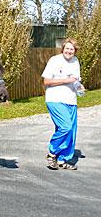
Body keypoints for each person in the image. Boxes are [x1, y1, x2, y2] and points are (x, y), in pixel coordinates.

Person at [41, 38, 84, 170]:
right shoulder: (55, 60)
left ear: (75, 51)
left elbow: (75, 80)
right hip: (55, 99)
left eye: (72, 49)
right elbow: (46, 81)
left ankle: (62, 159)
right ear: (63, 49)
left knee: (71, 132)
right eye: (67, 48)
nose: (69, 51)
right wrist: (66, 80)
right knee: (66, 127)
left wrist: (79, 87)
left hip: (71, 100)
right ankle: (52, 153)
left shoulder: (76, 62)